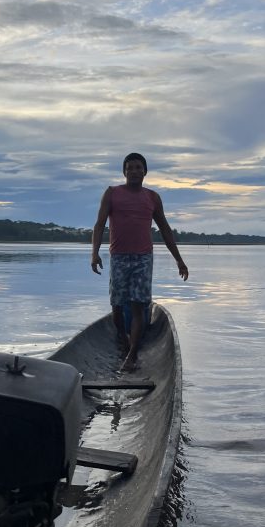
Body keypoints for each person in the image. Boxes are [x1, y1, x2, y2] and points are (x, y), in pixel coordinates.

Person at [91, 152, 188, 371]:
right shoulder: (112, 193)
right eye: (130, 168)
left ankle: (132, 354)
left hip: (143, 258)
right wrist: (94, 253)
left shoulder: (152, 198)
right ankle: (124, 342)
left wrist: (179, 261)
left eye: (138, 167)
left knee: (138, 307)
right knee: (117, 306)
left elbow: (164, 229)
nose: (134, 171)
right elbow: (99, 225)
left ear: (145, 171)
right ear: (124, 172)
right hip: (118, 258)